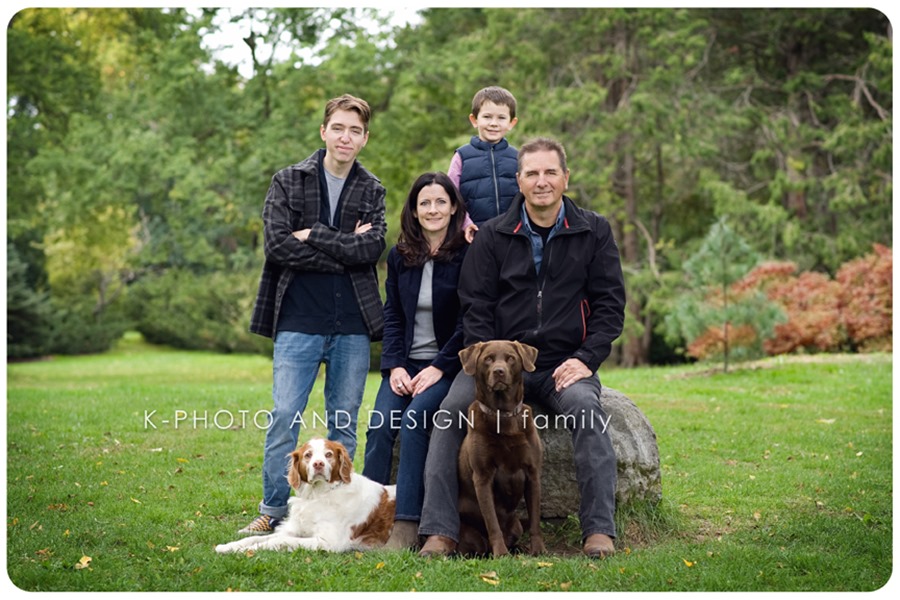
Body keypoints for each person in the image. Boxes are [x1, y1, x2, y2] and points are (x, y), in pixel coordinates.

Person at [417, 137, 626, 558]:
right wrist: (482, 359)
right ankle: (439, 531)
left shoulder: (594, 230)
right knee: (448, 414)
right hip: (498, 363)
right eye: (532, 173)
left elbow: (610, 305)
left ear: (566, 177)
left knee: (589, 414)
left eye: (550, 172)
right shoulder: (493, 236)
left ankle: (598, 531)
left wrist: (585, 360)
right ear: (519, 181)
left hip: (561, 365)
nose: (542, 181)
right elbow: (475, 306)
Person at [242, 93, 387, 534]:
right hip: (297, 320)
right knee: (286, 416)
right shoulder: (288, 180)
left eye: (355, 131)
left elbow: (372, 247)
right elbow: (279, 245)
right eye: (338, 128)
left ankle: (338, 511)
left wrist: (317, 235)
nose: (346, 137)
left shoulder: (372, 188)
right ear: (324, 131)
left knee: (344, 421)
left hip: (352, 326)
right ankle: (273, 510)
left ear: (364, 138)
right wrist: (344, 247)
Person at [361, 172, 468, 550]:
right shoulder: (401, 255)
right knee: (379, 427)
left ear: (453, 207)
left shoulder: (467, 254)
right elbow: (393, 316)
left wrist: (438, 366)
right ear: (414, 209)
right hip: (405, 364)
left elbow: (467, 321)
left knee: (414, 421)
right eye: (425, 203)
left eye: (441, 201)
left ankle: (406, 523)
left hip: (445, 366)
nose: (433, 209)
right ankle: (364, 517)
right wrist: (394, 366)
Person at [447, 86, 519, 242]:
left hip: (513, 237)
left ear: (511, 123)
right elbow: (451, 196)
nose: (494, 123)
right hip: (473, 237)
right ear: (474, 120)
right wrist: (466, 224)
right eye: (487, 117)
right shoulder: (462, 156)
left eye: (501, 118)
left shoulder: (518, 158)